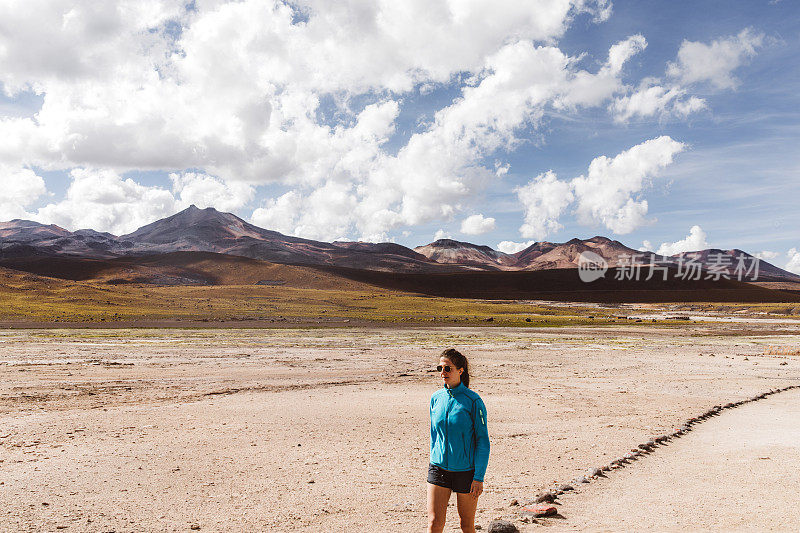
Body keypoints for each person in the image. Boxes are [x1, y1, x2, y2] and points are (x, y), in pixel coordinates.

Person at [427, 348, 490, 533]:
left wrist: (478, 477)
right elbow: (434, 435)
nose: (442, 373)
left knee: (466, 525)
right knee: (434, 523)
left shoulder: (473, 401)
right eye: (440, 368)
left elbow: (483, 442)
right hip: (438, 468)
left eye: (447, 368)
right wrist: (433, 458)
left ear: (460, 370)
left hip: (466, 473)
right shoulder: (436, 398)